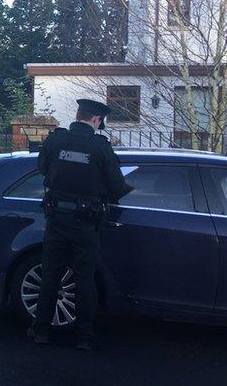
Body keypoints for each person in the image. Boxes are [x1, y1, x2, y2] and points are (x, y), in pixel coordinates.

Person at [29, 99, 133, 351]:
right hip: (85, 224)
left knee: (51, 275)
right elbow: (117, 187)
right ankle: (84, 336)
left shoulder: (56, 140)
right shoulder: (100, 147)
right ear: (96, 120)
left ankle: (41, 331)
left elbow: (42, 168)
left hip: (56, 221)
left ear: (78, 115)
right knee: (84, 280)